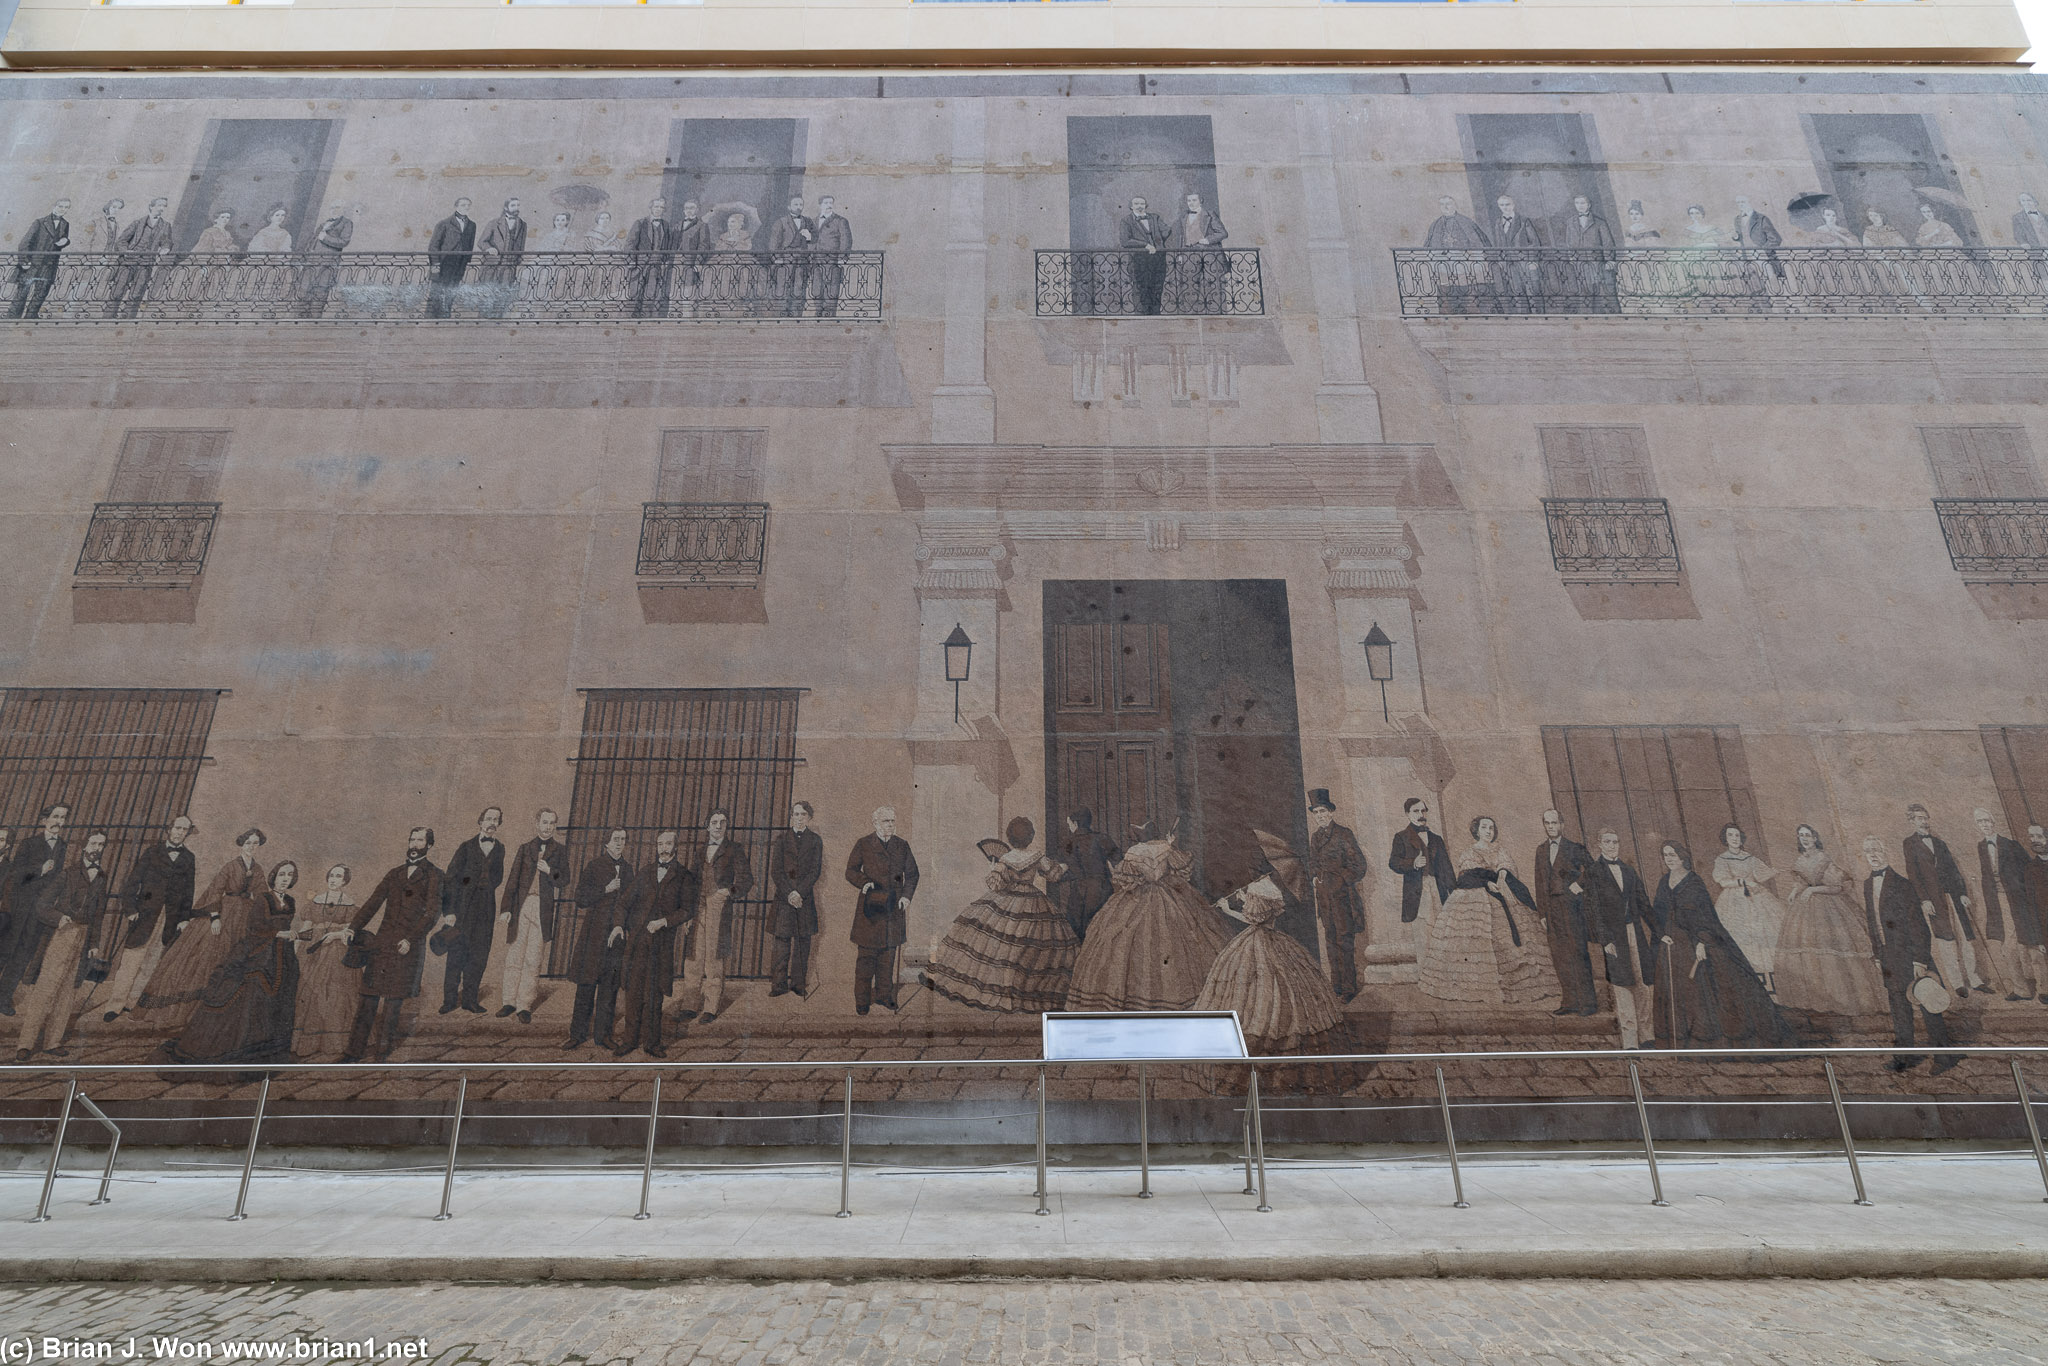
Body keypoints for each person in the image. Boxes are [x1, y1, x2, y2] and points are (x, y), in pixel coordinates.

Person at [922, 816, 1076, 1014]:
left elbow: (995, 884)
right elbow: (1054, 875)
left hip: (1007, 900)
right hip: (1033, 900)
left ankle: (1005, 991)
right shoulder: (1037, 857)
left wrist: (993, 870)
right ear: (1031, 837)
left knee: (1003, 948)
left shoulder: (1006, 858)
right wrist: (1064, 866)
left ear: (1010, 838)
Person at [1065, 831, 1231, 1013]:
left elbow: (1127, 882)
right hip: (1169, 897)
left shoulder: (1134, 852)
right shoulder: (1166, 848)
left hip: (1138, 899)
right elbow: (1182, 870)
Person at [163, 861, 302, 1076]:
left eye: (290, 875)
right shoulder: (263, 900)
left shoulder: (291, 901)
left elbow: (287, 926)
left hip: (283, 957)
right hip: (259, 953)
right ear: (273, 877)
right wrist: (277, 934)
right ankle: (237, 1049)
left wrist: (291, 936)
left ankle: (267, 1049)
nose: (285, 878)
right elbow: (254, 928)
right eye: (282, 874)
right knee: (250, 996)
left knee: (277, 1001)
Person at [1652, 840, 1792, 1049]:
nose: (1669, 859)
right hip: (1673, 945)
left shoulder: (1694, 882)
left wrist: (1702, 942)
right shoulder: (1664, 882)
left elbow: (1706, 916)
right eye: (1665, 855)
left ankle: (1710, 1040)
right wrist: (1662, 934)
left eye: (1672, 855)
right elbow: (1658, 912)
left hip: (1698, 941)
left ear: (1682, 857)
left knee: (1709, 991)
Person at [137, 827, 267, 1030]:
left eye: (255, 843)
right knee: (208, 959)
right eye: (248, 842)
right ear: (242, 844)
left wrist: (253, 898)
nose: (252, 846)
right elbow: (215, 891)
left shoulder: (258, 869)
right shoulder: (230, 866)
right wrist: (215, 917)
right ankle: (187, 1014)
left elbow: (262, 893)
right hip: (225, 914)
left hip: (245, 918)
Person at [1195, 874, 1342, 1053]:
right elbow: (1261, 911)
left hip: (1258, 939)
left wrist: (1227, 909)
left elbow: (1253, 919)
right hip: (1273, 937)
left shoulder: (1258, 892)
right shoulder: (1270, 891)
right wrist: (1244, 897)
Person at [1419, 816, 1554, 1008]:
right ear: (1477, 831)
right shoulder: (1469, 853)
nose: (1488, 831)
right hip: (1477, 897)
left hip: (1503, 891)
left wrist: (1502, 873)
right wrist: (1487, 882)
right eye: (1484, 827)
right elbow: (1466, 877)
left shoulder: (1500, 850)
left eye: (1491, 828)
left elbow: (1506, 865)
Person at [340, 827, 443, 1063]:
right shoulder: (394, 873)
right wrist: (352, 927)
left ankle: (382, 1051)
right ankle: (353, 1052)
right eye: (412, 839)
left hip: (408, 945)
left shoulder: (435, 875)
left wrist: (411, 939)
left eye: (420, 840)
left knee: (393, 1000)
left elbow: (431, 914)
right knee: (368, 997)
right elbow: (373, 902)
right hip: (382, 942)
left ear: (429, 846)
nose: (415, 844)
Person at [1860, 836, 1958, 1073]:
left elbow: (1918, 925)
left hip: (1912, 957)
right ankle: (1904, 1057)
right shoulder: (1866, 884)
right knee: (1899, 1009)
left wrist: (1920, 960)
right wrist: (1877, 954)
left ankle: (1944, 1057)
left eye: (1877, 849)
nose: (1873, 854)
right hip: (1889, 959)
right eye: (1868, 851)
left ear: (1885, 852)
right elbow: (1872, 922)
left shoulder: (1902, 884)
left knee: (1928, 1007)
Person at [1773, 824, 1887, 1019]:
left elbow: (1839, 886)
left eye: (1808, 835)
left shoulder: (1823, 858)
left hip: (1830, 907)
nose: (1804, 839)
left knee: (1837, 949)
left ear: (1815, 838)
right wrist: (1795, 891)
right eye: (1801, 835)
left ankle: (1848, 1003)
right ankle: (1822, 1002)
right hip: (1804, 909)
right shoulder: (1800, 859)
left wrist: (1813, 890)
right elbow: (1801, 881)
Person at [14, 832, 108, 1060]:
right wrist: (59, 918)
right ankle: (25, 1044)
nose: (97, 847)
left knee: (68, 991)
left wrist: (94, 943)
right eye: (93, 842)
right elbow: (42, 904)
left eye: (101, 845)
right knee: (47, 988)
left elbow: (98, 914)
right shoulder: (68, 874)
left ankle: (53, 1042)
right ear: (85, 845)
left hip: (83, 937)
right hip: (64, 933)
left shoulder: (102, 877)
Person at [97, 814, 197, 1023]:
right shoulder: (152, 853)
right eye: (177, 828)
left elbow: (188, 891)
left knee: (150, 964)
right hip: (144, 916)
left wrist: (184, 918)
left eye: (184, 830)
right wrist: (131, 909)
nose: (180, 833)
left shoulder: (189, 858)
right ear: (169, 829)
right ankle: (114, 1006)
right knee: (131, 962)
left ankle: (131, 1004)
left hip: (168, 918)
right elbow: (132, 882)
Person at [616, 830, 689, 1058]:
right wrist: (619, 925)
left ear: (676, 846)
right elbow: (624, 903)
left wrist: (664, 922)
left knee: (654, 994)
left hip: (661, 945)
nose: (663, 847)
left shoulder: (684, 876)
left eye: (668, 843)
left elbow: (687, 910)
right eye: (660, 843)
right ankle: (629, 1040)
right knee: (633, 993)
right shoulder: (645, 872)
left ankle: (652, 1043)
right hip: (638, 943)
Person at [1582, 830, 1658, 1049]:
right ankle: (1630, 1040)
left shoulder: (1629, 871)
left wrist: (1661, 932)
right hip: (1614, 936)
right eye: (1607, 842)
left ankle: (1647, 1036)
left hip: (1634, 932)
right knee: (1622, 985)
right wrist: (1605, 940)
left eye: (1615, 841)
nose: (1612, 846)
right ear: (1599, 845)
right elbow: (1593, 909)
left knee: (1642, 982)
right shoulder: (1594, 872)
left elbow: (1643, 903)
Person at [1903, 803, 1986, 997]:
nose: (1924, 821)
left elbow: (1953, 870)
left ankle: (1975, 980)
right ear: (1912, 821)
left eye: (1925, 817)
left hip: (1954, 897)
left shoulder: (1940, 843)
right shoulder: (1909, 843)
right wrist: (1924, 899)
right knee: (1946, 940)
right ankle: (1957, 983)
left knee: (1965, 938)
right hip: (1934, 900)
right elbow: (1913, 874)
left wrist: (1963, 893)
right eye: (1919, 818)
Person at [678, 810, 753, 1024]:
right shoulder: (700, 851)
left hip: (718, 907)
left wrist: (729, 891)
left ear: (727, 826)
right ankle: (690, 1006)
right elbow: (691, 881)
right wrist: (687, 912)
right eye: (714, 822)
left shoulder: (734, 849)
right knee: (693, 956)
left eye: (722, 822)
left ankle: (710, 1007)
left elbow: (747, 879)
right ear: (707, 826)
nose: (718, 826)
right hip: (697, 906)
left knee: (713, 956)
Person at [845, 807, 919, 1015]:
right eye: (886, 821)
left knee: (888, 956)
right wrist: (864, 882)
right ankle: (862, 1000)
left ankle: (885, 996)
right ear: (875, 823)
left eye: (893, 821)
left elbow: (912, 874)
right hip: (871, 908)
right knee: (866, 958)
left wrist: (906, 896)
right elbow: (850, 871)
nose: (890, 825)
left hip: (893, 909)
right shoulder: (863, 844)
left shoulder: (902, 845)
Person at [497, 808, 566, 1024]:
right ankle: (508, 1001)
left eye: (552, 823)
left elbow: (564, 879)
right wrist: (506, 909)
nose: (548, 827)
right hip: (522, 905)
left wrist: (549, 871)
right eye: (544, 822)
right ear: (536, 823)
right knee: (515, 954)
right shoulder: (525, 848)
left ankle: (524, 1005)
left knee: (534, 956)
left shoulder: (560, 850)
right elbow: (513, 880)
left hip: (542, 907)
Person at [565, 828, 632, 1050]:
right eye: (616, 839)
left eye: (623, 840)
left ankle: (603, 1036)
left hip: (616, 936)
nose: (619, 843)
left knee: (609, 987)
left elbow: (632, 903)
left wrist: (623, 927)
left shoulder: (629, 869)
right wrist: (605, 889)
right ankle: (577, 1034)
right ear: (606, 843)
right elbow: (580, 898)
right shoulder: (594, 866)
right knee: (585, 985)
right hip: (593, 936)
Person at [435, 806, 505, 1016]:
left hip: (485, 909)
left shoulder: (500, 848)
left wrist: (484, 887)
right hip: (462, 909)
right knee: (457, 953)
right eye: (488, 819)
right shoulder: (465, 847)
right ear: (480, 822)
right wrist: (449, 910)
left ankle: (470, 1000)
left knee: (479, 954)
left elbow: (498, 877)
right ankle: (449, 1000)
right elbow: (450, 879)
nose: (492, 823)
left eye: (496, 819)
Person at [0, 804, 68, 1014]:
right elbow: (15, 874)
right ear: (44, 820)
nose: (58, 822)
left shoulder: (62, 846)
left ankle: (3, 998)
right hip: (20, 908)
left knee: (23, 954)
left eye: (63, 818)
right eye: (55, 817)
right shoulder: (29, 844)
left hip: (38, 912)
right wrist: (39, 870)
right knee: (5, 951)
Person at [1530, 808, 1598, 1016]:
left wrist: (1579, 885)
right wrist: (1542, 913)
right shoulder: (1541, 850)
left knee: (1578, 952)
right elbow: (1539, 883)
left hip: (1572, 908)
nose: (1551, 826)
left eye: (1554, 823)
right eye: (1547, 823)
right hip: (1552, 911)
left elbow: (1595, 870)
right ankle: (1570, 1001)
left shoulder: (1574, 848)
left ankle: (1587, 1003)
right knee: (1559, 956)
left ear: (1562, 824)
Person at [1972, 808, 2042, 1004]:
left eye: (1987, 820)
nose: (1984, 824)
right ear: (1977, 826)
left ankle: (2044, 988)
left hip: (2019, 901)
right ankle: (2022, 990)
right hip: (1998, 902)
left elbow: (2029, 869)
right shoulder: (1981, 846)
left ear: (1993, 822)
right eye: (1980, 822)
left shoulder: (2011, 845)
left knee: (2032, 944)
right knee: (2008, 947)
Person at [1306, 789, 1368, 1003]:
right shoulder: (1315, 837)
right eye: (1316, 813)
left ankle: (1349, 988)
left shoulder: (1344, 834)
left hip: (1342, 897)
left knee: (1344, 940)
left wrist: (1341, 879)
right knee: (1330, 940)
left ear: (1331, 812)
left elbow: (1359, 865)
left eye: (1323, 811)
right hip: (1324, 897)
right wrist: (1314, 876)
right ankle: (1337, 987)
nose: (1320, 816)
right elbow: (1313, 862)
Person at [1710, 824, 1786, 993]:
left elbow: (1760, 874)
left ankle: (1773, 986)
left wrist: (1773, 872)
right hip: (1734, 902)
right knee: (1743, 939)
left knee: (1766, 937)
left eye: (1737, 835)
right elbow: (1722, 881)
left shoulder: (1749, 857)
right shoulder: (1722, 859)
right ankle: (1750, 986)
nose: (1735, 839)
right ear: (1726, 839)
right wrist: (1743, 882)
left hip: (1758, 899)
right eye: (1731, 836)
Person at [292, 864, 358, 1059]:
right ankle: (305, 1042)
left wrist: (335, 935)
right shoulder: (315, 902)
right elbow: (306, 927)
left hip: (337, 950)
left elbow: (349, 930)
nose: (333, 879)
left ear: (345, 881)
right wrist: (296, 948)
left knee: (335, 993)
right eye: (331, 875)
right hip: (313, 950)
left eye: (338, 876)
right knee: (308, 989)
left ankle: (334, 1041)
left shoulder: (349, 905)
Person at [767, 800, 823, 997]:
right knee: (781, 943)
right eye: (796, 814)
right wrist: (789, 893)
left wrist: (799, 893)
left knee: (802, 942)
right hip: (784, 900)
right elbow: (776, 871)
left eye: (803, 815)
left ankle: (799, 984)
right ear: (792, 817)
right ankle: (778, 985)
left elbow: (815, 871)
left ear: (809, 817)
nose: (799, 818)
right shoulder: (781, 839)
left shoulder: (816, 841)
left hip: (804, 900)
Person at [1387, 796, 1456, 934]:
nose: (1421, 815)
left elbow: (1447, 868)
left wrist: (1455, 893)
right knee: (1423, 932)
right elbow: (1393, 863)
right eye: (1416, 811)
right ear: (1407, 814)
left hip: (1438, 889)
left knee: (1443, 931)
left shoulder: (1436, 839)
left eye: (1423, 811)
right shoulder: (1401, 837)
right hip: (1417, 891)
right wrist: (1413, 863)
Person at [1053, 809, 1119, 942]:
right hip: (1103, 890)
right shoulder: (1103, 838)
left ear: (1075, 824)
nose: (1069, 827)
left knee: (1078, 932)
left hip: (1080, 891)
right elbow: (1117, 864)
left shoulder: (1068, 843)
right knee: (1103, 930)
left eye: (1069, 824)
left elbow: (1063, 871)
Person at [107, 197, 174, 319]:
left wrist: (166, 248)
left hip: (146, 263)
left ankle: (128, 319)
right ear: (151, 206)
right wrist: (126, 251)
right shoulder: (137, 223)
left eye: (164, 206)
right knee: (118, 290)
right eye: (159, 205)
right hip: (128, 262)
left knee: (137, 293)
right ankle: (108, 317)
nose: (162, 208)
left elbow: (167, 242)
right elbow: (121, 241)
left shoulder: (165, 226)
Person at [10, 197, 71, 320]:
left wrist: (66, 241)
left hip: (49, 265)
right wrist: (24, 261)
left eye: (66, 207)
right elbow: (24, 243)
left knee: (41, 293)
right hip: (32, 264)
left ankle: (31, 317)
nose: (62, 209)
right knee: (22, 294)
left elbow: (61, 240)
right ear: (54, 206)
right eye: (60, 206)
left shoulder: (65, 224)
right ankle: (11, 319)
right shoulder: (39, 222)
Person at [295, 203, 356, 318]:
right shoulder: (324, 223)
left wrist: (325, 238)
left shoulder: (346, 223)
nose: (335, 210)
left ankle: (314, 318)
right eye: (333, 207)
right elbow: (312, 240)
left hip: (328, 262)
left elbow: (344, 241)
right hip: (311, 261)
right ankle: (299, 316)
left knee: (321, 290)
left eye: (338, 207)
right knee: (304, 288)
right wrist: (305, 257)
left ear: (343, 210)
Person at [1175, 191, 1229, 313]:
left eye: (1194, 200)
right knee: (1190, 284)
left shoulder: (1209, 214)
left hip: (1209, 253)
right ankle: (1191, 313)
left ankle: (1215, 312)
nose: (1191, 203)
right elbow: (1182, 237)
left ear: (1201, 201)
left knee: (1212, 283)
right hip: (1189, 254)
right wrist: (1179, 254)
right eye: (1189, 201)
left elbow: (1223, 233)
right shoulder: (1184, 217)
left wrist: (1208, 240)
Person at [1118, 196, 1172, 316]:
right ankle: (1141, 317)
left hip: (1158, 258)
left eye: (1142, 203)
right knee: (1140, 288)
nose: (1139, 206)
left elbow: (1167, 230)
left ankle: (1156, 315)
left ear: (1146, 205)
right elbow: (1125, 241)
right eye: (1136, 203)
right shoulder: (1126, 221)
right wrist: (1146, 245)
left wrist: (1157, 242)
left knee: (1157, 287)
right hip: (1139, 259)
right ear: (1131, 206)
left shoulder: (1154, 217)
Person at [475, 198, 527, 319]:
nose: (516, 208)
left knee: (504, 292)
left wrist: (517, 260)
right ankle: (482, 319)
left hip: (509, 265)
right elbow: (482, 242)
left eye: (518, 205)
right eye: (513, 205)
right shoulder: (494, 223)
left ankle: (497, 319)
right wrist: (489, 249)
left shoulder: (522, 224)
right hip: (492, 264)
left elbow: (521, 244)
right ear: (506, 207)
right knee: (488, 291)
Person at [426, 197, 475, 319]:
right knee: (437, 290)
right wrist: (435, 264)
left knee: (452, 289)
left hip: (459, 263)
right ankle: (430, 318)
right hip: (444, 262)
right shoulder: (444, 224)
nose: (466, 207)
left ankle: (445, 316)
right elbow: (433, 246)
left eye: (468, 205)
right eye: (463, 205)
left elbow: (470, 244)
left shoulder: (472, 225)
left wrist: (466, 261)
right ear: (456, 206)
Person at [766, 195, 815, 317]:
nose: (799, 207)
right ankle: (780, 315)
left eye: (801, 205)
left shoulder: (808, 221)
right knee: (782, 287)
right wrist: (776, 259)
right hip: (784, 260)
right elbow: (773, 244)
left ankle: (796, 315)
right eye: (796, 205)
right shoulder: (781, 222)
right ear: (789, 207)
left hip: (802, 260)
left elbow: (816, 239)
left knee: (799, 287)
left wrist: (810, 237)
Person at [624, 198, 672, 319]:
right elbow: (630, 243)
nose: (659, 209)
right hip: (639, 263)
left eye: (661, 207)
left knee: (651, 293)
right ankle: (629, 319)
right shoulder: (640, 223)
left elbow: (667, 245)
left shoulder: (666, 225)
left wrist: (665, 261)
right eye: (656, 207)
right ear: (651, 208)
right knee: (634, 291)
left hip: (656, 264)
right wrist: (630, 261)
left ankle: (646, 319)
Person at [669, 200, 713, 315]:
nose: (689, 210)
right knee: (674, 288)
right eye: (687, 208)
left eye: (692, 208)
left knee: (688, 288)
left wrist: (698, 262)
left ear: (697, 210)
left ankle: (686, 315)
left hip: (691, 261)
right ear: (684, 210)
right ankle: (672, 314)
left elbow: (704, 245)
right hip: (676, 260)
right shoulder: (677, 226)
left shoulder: (702, 226)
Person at [811, 195, 852, 317]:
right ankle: (818, 312)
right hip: (816, 261)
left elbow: (846, 240)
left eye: (831, 202)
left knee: (831, 289)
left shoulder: (840, 221)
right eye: (826, 203)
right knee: (816, 288)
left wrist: (842, 258)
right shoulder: (813, 221)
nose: (829, 205)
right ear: (820, 205)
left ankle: (829, 315)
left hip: (832, 261)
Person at [524, 210, 574, 309]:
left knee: (549, 274)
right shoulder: (549, 235)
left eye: (562, 220)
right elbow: (542, 248)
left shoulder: (570, 234)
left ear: (567, 222)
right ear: (554, 222)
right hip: (547, 258)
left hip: (561, 260)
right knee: (532, 270)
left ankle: (549, 299)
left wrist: (563, 248)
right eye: (557, 220)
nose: (560, 222)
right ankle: (535, 298)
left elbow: (571, 249)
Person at [2022, 825, 2048, 1004]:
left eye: (2039, 836)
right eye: (2032, 837)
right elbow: (2030, 904)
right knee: (2041, 956)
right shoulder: (2031, 869)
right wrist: (2038, 937)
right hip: (2044, 923)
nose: (2035, 840)